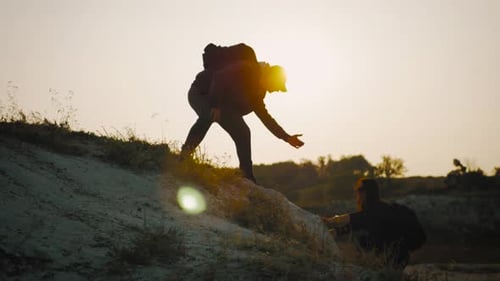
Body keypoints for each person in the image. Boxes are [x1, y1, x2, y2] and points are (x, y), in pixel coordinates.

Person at [180, 59, 304, 183]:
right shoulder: (246, 68)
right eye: (277, 86)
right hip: (201, 92)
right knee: (208, 115)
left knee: (243, 132)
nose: (276, 90)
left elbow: (266, 118)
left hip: (223, 105)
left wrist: (286, 137)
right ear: (271, 77)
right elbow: (219, 77)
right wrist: (215, 105)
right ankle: (184, 156)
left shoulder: (258, 94)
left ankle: (247, 176)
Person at [322, 178, 426, 269]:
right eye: (357, 190)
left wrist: (330, 221)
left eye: (360, 190)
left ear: (368, 192)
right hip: (389, 256)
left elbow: (353, 218)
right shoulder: (372, 210)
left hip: (394, 256)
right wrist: (333, 232)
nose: (357, 193)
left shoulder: (377, 210)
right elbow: (353, 225)